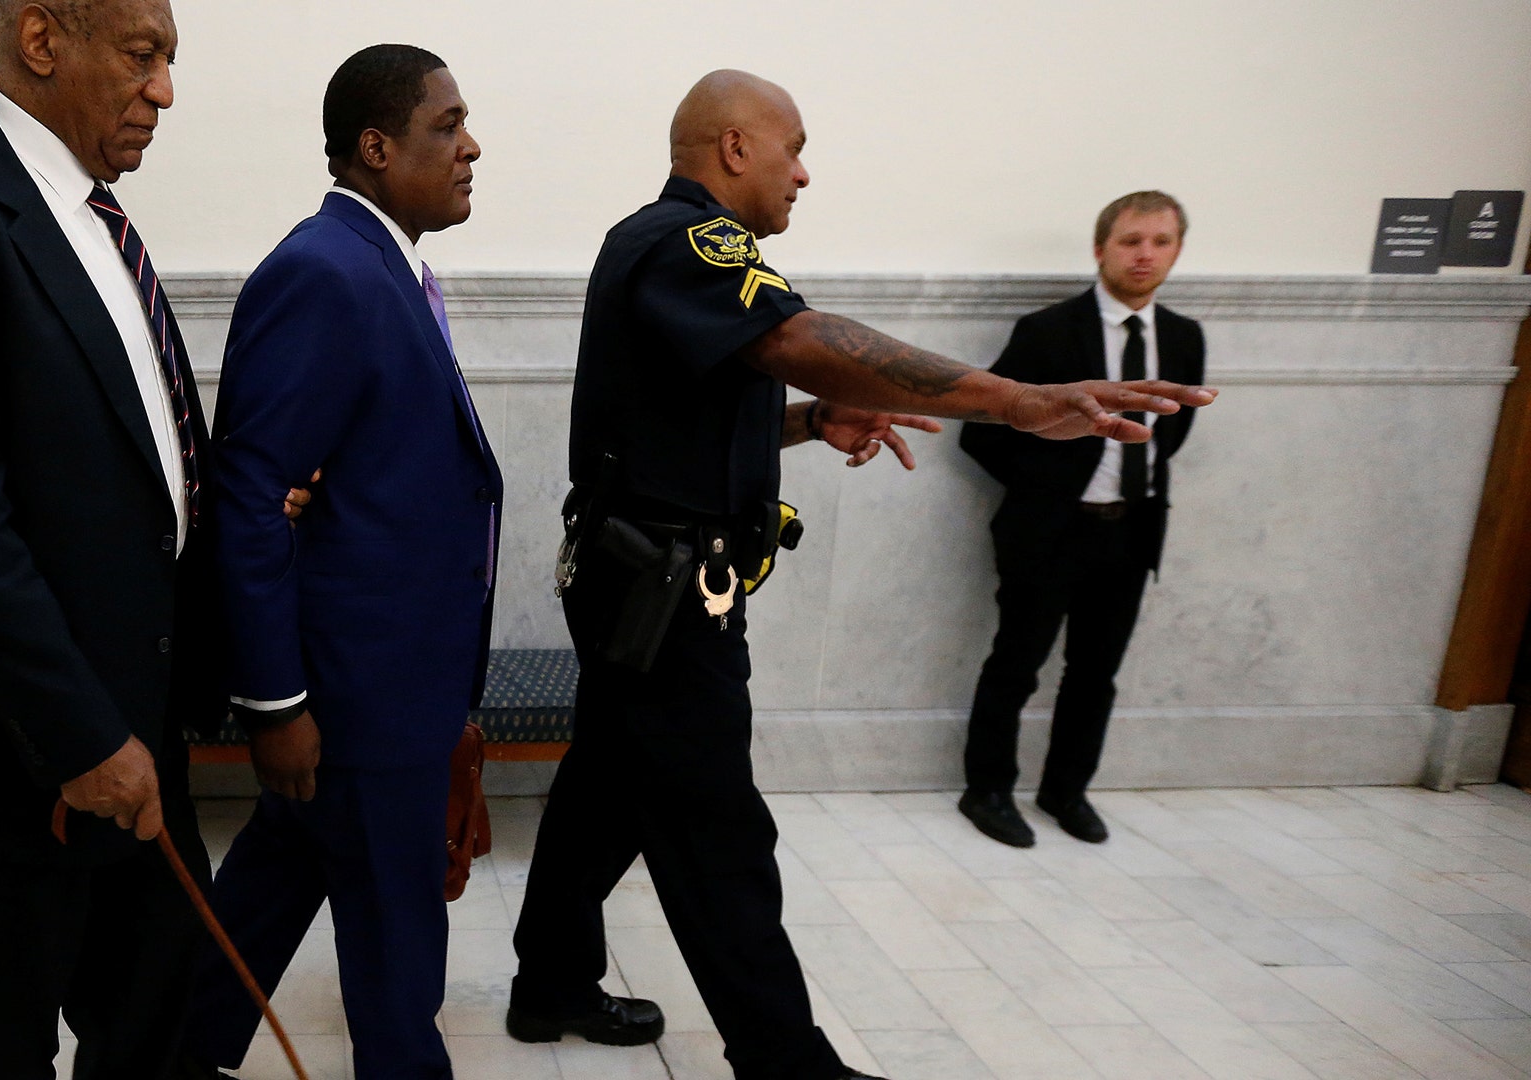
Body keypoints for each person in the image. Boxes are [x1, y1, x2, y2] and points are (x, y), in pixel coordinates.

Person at [506, 71, 1216, 1080]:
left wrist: (807, 421)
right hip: (663, 595)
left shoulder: (674, 255)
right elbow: (800, 340)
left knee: (610, 788)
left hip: (644, 580)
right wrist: (1014, 401)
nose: (805, 171)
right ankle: (786, 1061)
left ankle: (552, 984)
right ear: (735, 148)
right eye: (792, 147)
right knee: (719, 832)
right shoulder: (689, 241)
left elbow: (681, 421)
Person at [0, 3, 299, 1076]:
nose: (165, 92)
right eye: (143, 57)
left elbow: (126, 467)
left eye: (169, 61)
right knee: (8, 1056)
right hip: (8, 767)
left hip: (141, 740)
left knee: (154, 1029)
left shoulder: (102, 224)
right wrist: (82, 738)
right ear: (42, 42)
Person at [181, 45, 501, 1080]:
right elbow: (250, 490)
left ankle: (164, 1057)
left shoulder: (383, 266)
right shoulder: (324, 272)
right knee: (399, 970)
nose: (471, 146)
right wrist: (275, 704)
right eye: (447, 126)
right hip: (361, 701)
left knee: (272, 891)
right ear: (377, 147)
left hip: (387, 686)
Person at [956, 191, 1204, 848]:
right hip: (1049, 533)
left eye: (1160, 241)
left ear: (1178, 250)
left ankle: (1066, 791)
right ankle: (986, 790)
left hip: (1130, 531)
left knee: (1096, 673)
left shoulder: (1183, 338)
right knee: (1017, 662)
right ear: (1101, 249)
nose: (1145, 254)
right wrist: (1051, 487)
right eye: (1130, 240)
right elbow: (980, 434)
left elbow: (1172, 434)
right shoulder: (1047, 332)